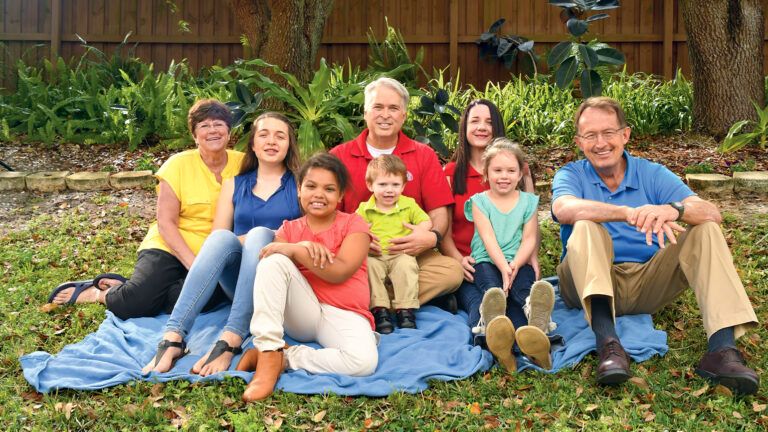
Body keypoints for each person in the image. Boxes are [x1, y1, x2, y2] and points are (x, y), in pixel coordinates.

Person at [552, 96, 759, 394]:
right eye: (590, 135)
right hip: (585, 283)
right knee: (584, 225)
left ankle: (722, 350)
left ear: (625, 135)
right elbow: (564, 210)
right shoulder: (571, 174)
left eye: (608, 133)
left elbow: (711, 212)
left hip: (647, 281)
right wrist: (628, 212)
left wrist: (674, 209)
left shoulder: (651, 173)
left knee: (706, 230)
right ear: (579, 141)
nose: (600, 143)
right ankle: (608, 344)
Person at [49, 99, 244, 319]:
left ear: (229, 131)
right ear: (194, 135)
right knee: (135, 305)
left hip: (214, 253)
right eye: (204, 126)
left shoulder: (245, 164)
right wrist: (194, 265)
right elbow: (166, 223)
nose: (212, 131)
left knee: (192, 301)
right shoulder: (177, 165)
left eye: (218, 124)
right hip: (170, 246)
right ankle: (98, 293)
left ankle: (138, 286)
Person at [141, 112, 302, 375]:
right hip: (240, 280)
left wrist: (261, 237)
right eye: (264, 135)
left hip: (282, 281)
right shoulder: (234, 184)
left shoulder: (300, 184)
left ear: (289, 144)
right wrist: (251, 241)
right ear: (252, 144)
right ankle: (174, 336)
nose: (271, 141)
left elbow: (308, 234)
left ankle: (232, 338)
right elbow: (219, 238)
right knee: (221, 239)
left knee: (260, 234)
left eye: (280, 136)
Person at [236, 153, 377, 402]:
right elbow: (273, 271)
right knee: (273, 260)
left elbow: (340, 272)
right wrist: (297, 246)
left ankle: (287, 357)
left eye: (329, 189)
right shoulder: (289, 229)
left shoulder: (355, 224)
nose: (319, 194)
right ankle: (268, 350)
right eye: (311, 186)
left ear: (341, 195)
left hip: (345, 312)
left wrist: (297, 250)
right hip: (303, 313)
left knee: (363, 362)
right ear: (299, 190)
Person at [329, 77, 463, 310]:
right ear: (365, 112)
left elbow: (439, 212)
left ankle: (375, 303)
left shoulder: (424, 155)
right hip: (361, 256)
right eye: (378, 107)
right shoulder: (339, 156)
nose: (385, 114)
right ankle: (403, 301)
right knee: (331, 272)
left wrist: (431, 238)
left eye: (393, 108)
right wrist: (354, 242)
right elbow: (327, 215)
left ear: (404, 115)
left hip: (411, 255)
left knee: (451, 272)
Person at [442, 100, 550, 362]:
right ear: (464, 128)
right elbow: (443, 232)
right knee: (483, 299)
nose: (482, 127)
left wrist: (530, 257)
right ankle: (493, 340)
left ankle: (529, 338)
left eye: (489, 122)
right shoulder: (451, 173)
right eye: (475, 121)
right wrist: (458, 259)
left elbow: (529, 220)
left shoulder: (518, 170)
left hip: (513, 258)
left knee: (515, 297)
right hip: (471, 262)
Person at [463, 138, 554, 372]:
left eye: (511, 170)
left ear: (520, 174)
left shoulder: (528, 201)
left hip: (518, 260)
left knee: (523, 290)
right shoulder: (479, 202)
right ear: (486, 173)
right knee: (495, 291)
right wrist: (504, 267)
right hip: (487, 260)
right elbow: (488, 239)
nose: (504, 176)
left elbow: (530, 239)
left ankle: (534, 323)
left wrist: (514, 265)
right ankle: (494, 321)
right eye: (498, 170)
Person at [356, 154, 432, 334]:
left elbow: (426, 221)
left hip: (401, 253)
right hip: (375, 254)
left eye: (395, 185)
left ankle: (405, 310)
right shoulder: (364, 209)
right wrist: (362, 235)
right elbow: (353, 229)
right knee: (369, 268)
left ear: (403, 185)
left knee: (407, 267)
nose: (389, 190)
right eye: (382, 185)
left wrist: (420, 231)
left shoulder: (408, 205)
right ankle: (380, 310)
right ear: (370, 185)